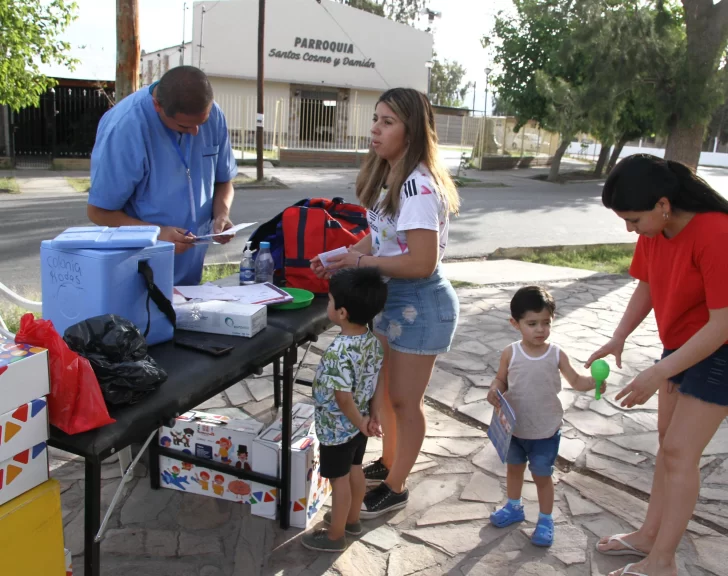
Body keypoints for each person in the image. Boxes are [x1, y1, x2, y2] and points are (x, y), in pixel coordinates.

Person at [311, 88, 461, 518]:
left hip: (420, 304)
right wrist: (344, 256)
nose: (375, 129)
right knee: (389, 396)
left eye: (388, 122)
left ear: (411, 130)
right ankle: (390, 463)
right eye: (376, 119)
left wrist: (360, 260)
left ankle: (395, 486)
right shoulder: (393, 175)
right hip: (395, 302)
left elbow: (420, 261)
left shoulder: (417, 186)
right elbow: (382, 239)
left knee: (404, 403)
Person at [586, 154, 728, 576]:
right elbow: (647, 285)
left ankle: (662, 561)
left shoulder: (716, 233)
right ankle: (650, 536)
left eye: (633, 220)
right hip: (682, 343)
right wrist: (618, 336)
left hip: (720, 348)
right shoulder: (656, 229)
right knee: (668, 448)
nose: (631, 229)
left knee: (681, 454)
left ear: (663, 205)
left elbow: (721, 326)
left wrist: (660, 371)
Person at [87, 66, 238, 286]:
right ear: (157, 106)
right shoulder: (125, 127)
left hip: (189, 276)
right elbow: (99, 212)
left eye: (201, 123)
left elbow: (224, 180)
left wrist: (221, 215)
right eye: (185, 126)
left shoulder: (214, 114)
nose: (196, 132)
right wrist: (156, 233)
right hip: (137, 275)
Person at [487, 286, 605, 547]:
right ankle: (514, 507)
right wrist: (495, 390)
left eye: (546, 323)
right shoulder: (511, 352)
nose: (540, 329)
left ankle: (545, 519)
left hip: (545, 431)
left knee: (542, 476)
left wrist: (594, 383)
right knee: (514, 470)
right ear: (515, 324)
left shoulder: (556, 353)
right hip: (515, 429)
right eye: (532, 323)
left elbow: (575, 379)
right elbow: (501, 380)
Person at [302, 267, 387, 552]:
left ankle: (334, 535)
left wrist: (361, 421)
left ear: (342, 313)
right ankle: (351, 520)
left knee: (339, 481)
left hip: (338, 428)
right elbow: (377, 382)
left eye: (328, 300)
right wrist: (371, 417)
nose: (327, 304)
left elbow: (343, 399)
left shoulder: (339, 351)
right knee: (355, 470)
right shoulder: (373, 343)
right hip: (358, 423)